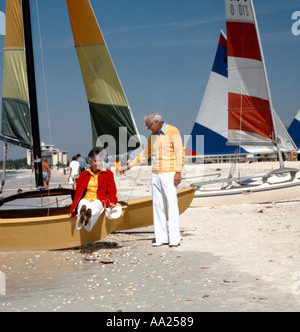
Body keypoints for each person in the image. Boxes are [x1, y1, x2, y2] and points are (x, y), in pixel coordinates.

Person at [120, 112, 184, 247]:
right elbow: (144, 155)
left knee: (172, 206)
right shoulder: (152, 136)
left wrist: (178, 172)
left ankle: (174, 238)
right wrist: (128, 166)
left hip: (169, 173)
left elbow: (180, 153)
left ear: (157, 123)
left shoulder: (173, 131)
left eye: (148, 126)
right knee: (157, 205)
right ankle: (161, 238)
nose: (147, 129)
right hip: (155, 174)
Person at [70, 149, 118, 232]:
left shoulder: (108, 173)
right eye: (96, 161)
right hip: (86, 198)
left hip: (99, 199)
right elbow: (78, 194)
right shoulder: (83, 175)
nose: (99, 163)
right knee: (83, 204)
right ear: (90, 162)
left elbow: (112, 189)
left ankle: (86, 217)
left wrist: (113, 201)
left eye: (100, 161)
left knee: (95, 208)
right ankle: (83, 215)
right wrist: (73, 209)